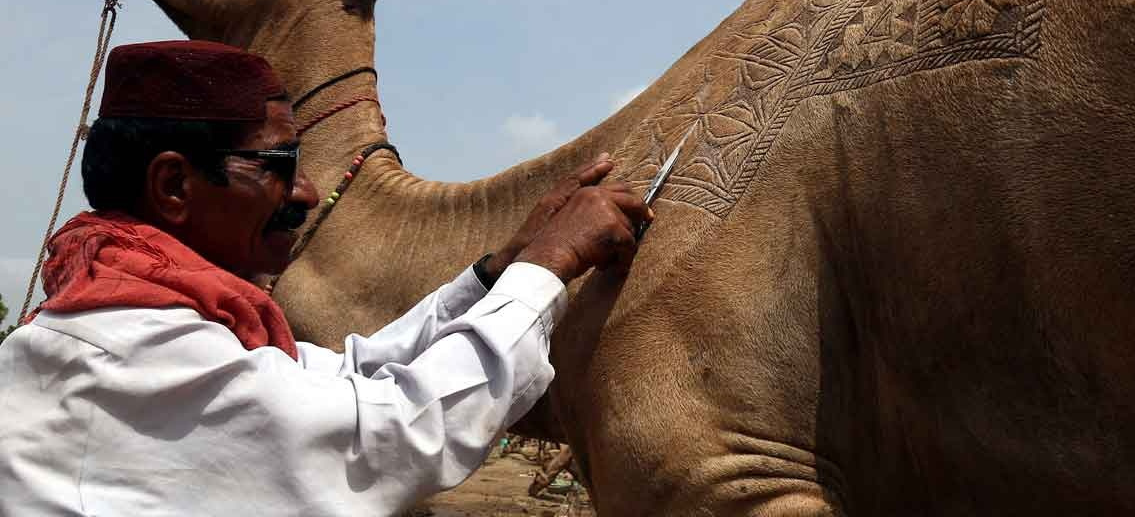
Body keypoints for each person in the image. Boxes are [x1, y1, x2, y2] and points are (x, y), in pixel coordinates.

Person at [0, 40, 650, 516]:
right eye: (278, 163)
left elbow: (349, 375)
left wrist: (495, 274)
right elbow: (396, 433)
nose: (307, 193)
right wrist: (549, 268)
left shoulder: (141, 326)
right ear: (174, 184)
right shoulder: (140, 357)